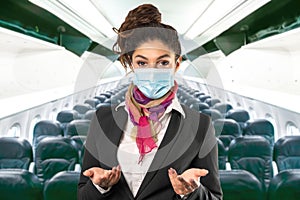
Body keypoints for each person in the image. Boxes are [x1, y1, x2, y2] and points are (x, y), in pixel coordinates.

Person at [78, 4, 222, 200]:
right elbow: (83, 194)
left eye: (163, 62)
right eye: (142, 63)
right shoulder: (103, 119)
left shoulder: (200, 126)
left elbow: (214, 197)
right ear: (131, 64)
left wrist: (192, 193)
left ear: (176, 64)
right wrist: (99, 187)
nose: (152, 72)